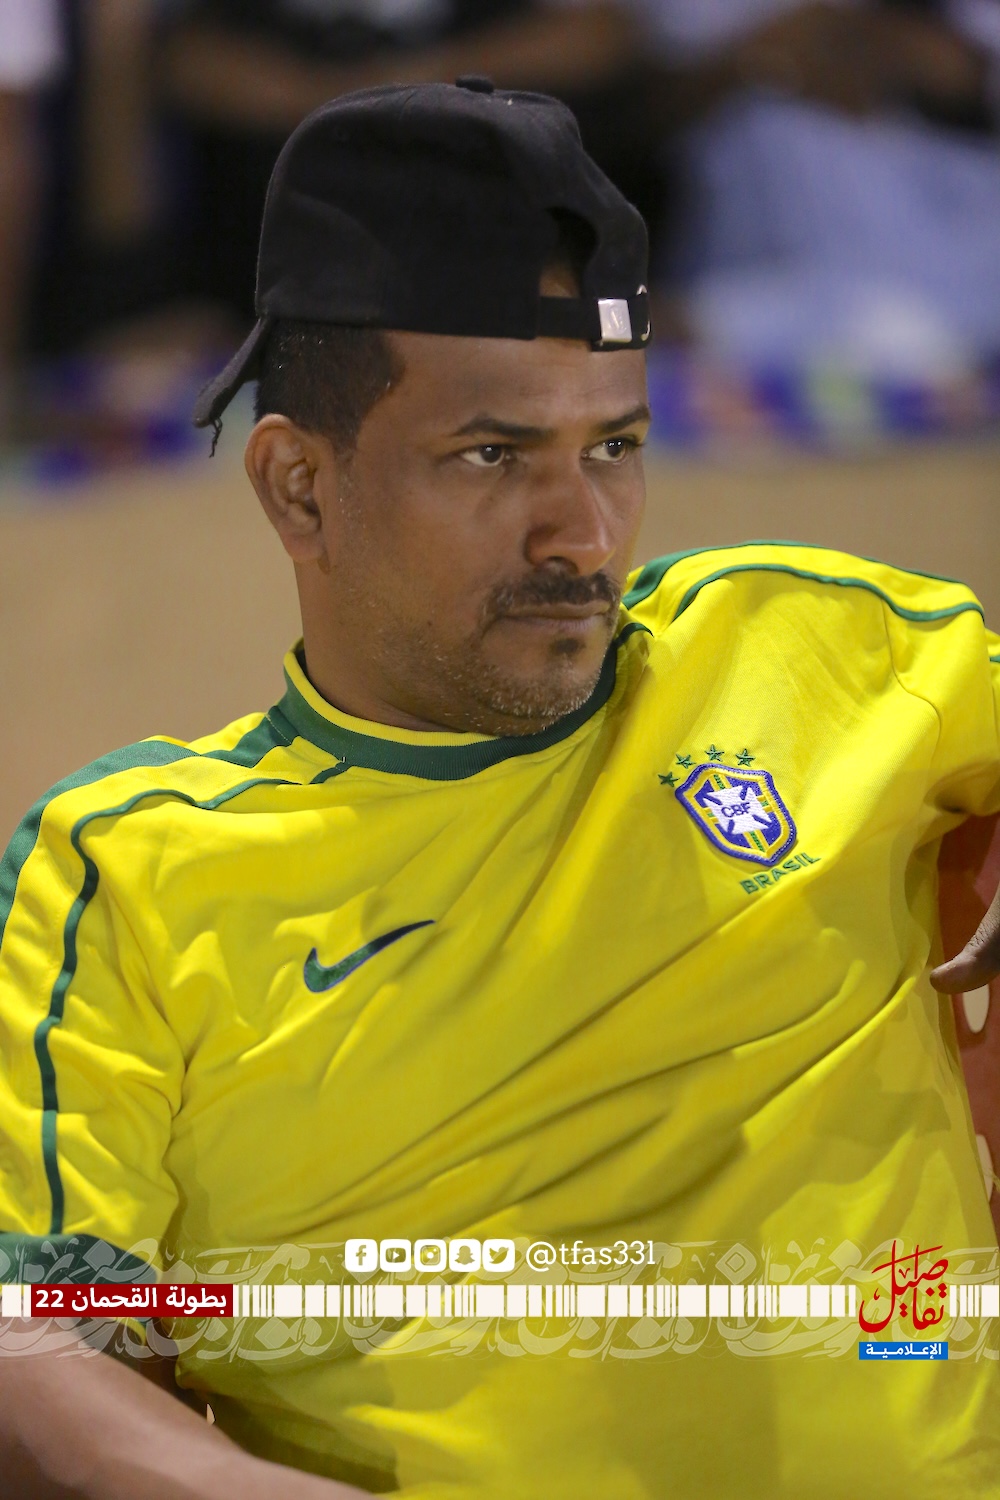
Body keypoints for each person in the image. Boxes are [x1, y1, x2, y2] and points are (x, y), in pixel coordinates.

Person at [1, 78, 1000, 1500]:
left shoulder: (824, 646)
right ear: (298, 489)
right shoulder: (126, 874)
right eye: (492, 455)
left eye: (616, 447)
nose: (580, 534)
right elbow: (36, 1340)